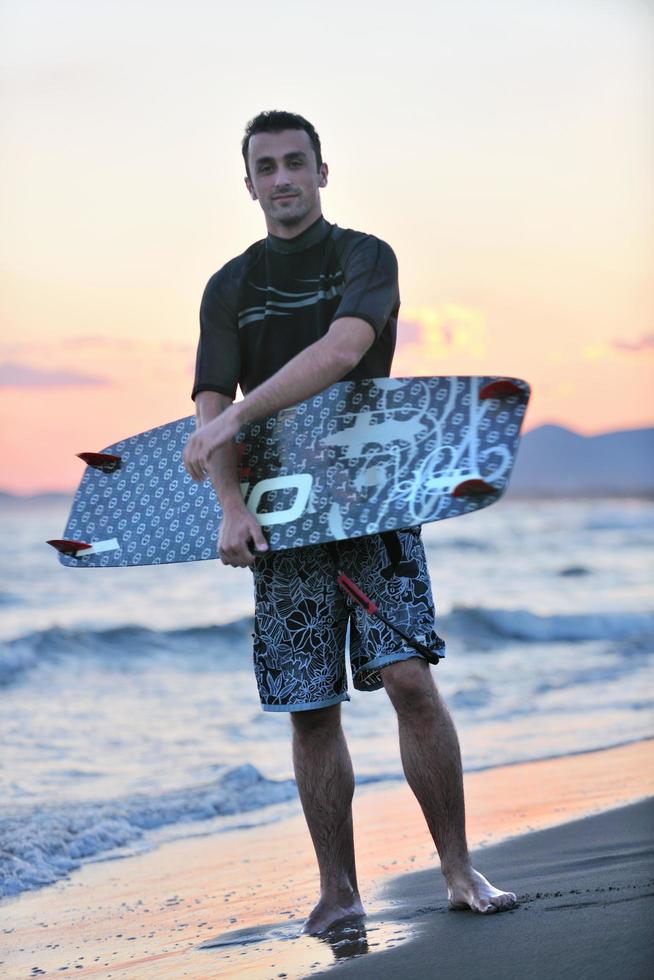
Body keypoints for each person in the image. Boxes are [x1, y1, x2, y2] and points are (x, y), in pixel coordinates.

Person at [183, 110, 517, 933]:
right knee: (310, 706)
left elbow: (342, 350)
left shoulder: (365, 256)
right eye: (268, 167)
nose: (284, 179)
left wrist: (233, 420)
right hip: (281, 523)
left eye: (298, 163)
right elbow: (208, 409)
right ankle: (339, 890)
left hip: (374, 501)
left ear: (323, 173)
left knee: (409, 678)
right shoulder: (229, 285)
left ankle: (457, 867)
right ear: (251, 182)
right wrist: (228, 505)